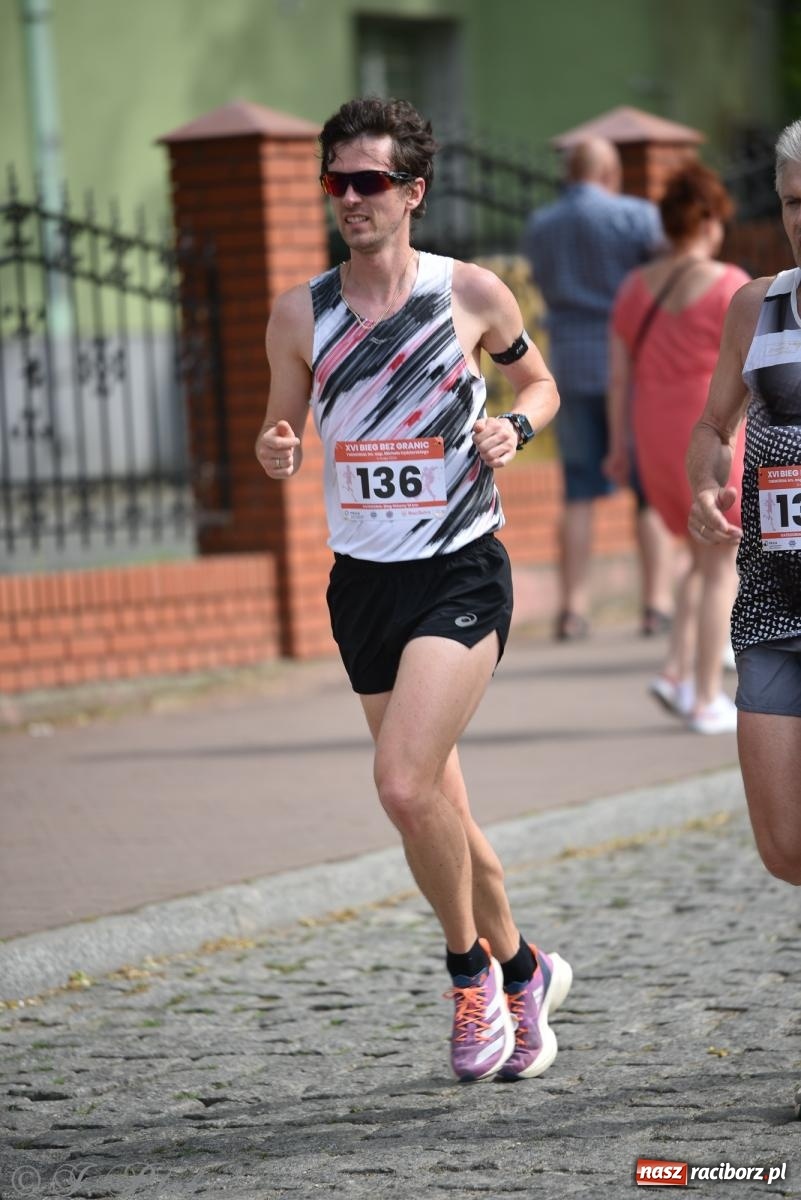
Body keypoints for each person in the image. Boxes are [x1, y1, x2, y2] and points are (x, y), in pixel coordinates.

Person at [255, 97, 572, 1083]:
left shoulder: (471, 293)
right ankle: (528, 970)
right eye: (337, 182)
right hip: (364, 586)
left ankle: (468, 975)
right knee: (440, 807)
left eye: (372, 182)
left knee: (401, 784)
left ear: (412, 193)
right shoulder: (300, 313)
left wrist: (514, 431)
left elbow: (541, 387)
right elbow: (281, 426)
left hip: (461, 572)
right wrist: (277, 447)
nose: (352, 198)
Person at [686, 118, 801, 872]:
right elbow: (712, 427)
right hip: (770, 604)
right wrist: (704, 484)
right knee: (783, 848)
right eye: (793, 202)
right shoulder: (753, 308)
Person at [606, 163, 750, 734]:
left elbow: (618, 376)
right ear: (711, 218)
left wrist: (619, 446)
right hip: (711, 433)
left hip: (653, 432)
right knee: (721, 563)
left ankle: (674, 671)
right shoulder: (730, 281)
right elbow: (748, 372)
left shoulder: (633, 287)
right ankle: (706, 698)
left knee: (697, 554)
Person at [521, 136, 674, 641]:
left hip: (568, 358)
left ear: (570, 174)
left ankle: (573, 610)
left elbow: (539, 280)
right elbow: (664, 277)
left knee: (578, 489)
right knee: (649, 490)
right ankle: (655, 604)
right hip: (630, 361)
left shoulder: (541, 226)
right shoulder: (638, 217)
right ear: (610, 173)